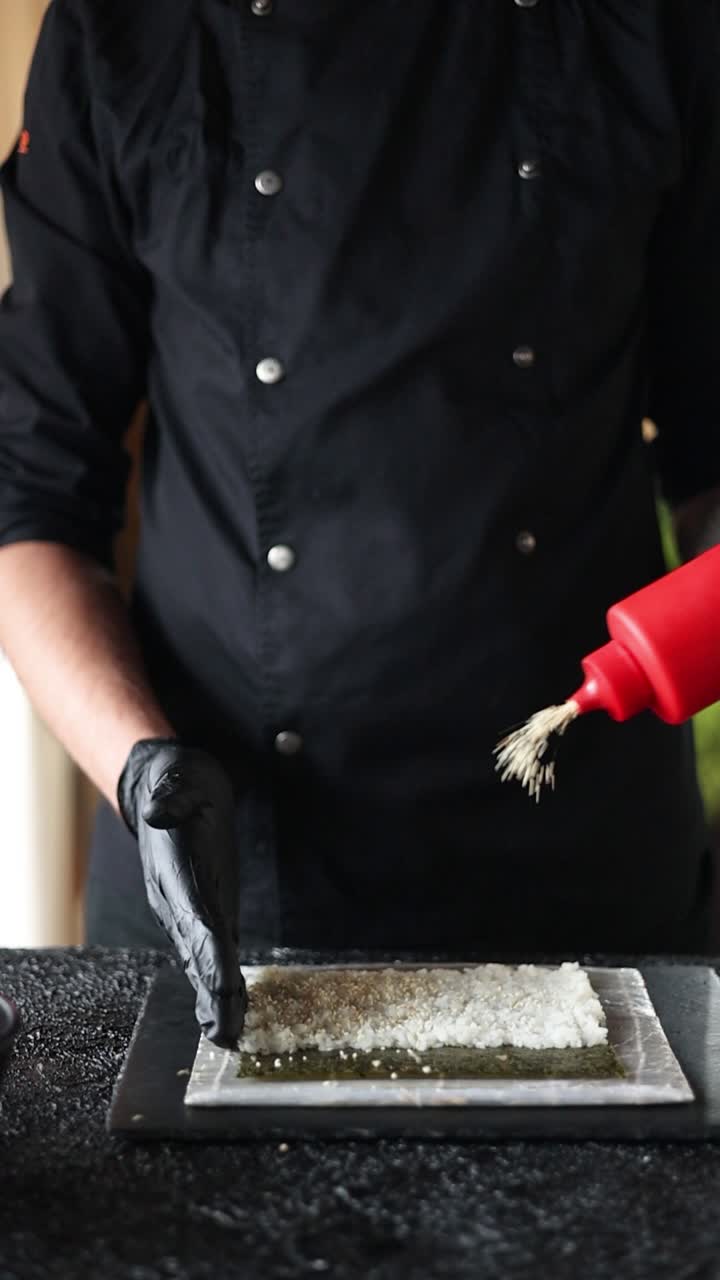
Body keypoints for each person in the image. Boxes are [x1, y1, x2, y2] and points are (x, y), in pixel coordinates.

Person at [0, 0, 718, 1046]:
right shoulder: (126, 29)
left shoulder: (654, 23)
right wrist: (141, 766)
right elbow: (29, 503)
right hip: (225, 882)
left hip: (590, 879)